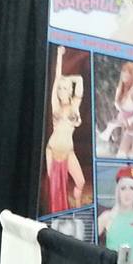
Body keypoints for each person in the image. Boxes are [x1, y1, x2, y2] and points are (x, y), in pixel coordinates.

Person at [44, 46, 85, 212]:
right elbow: (56, 78)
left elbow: (80, 80)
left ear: (70, 91)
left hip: (68, 151)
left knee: (80, 182)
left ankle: (78, 208)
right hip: (52, 150)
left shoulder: (75, 105)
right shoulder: (55, 105)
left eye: (64, 88)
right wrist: (59, 56)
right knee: (55, 191)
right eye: (60, 88)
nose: (61, 91)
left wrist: (68, 79)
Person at [98, 60, 133, 159]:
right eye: (124, 71)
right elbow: (121, 111)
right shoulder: (119, 90)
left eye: (129, 72)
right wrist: (117, 123)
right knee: (121, 156)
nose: (125, 74)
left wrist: (128, 121)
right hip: (128, 130)